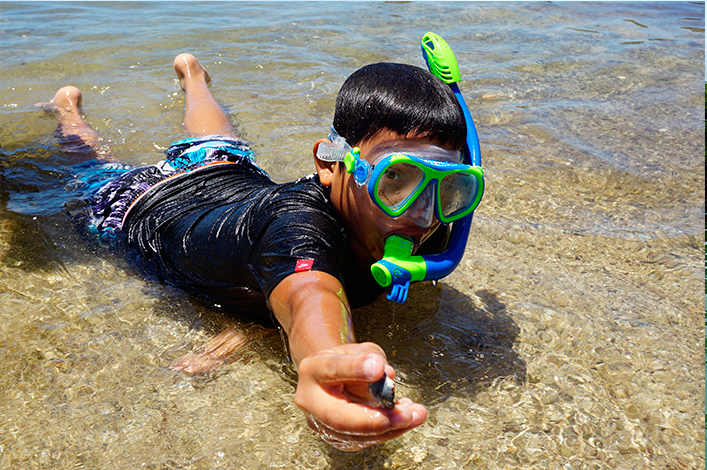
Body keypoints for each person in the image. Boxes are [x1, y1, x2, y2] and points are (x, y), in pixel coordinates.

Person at [40, 52, 472, 451]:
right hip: (147, 205)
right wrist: (326, 357)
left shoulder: (424, 221)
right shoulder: (296, 229)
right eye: (395, 178)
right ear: (329, 164)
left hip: (230, 175)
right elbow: (309, 295)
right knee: (92, 166)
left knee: (218, 141)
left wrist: (254, 327)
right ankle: (67, 110)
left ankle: (193, 75)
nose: (422, 212)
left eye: (448, 187)